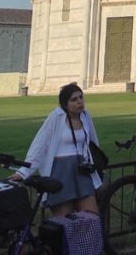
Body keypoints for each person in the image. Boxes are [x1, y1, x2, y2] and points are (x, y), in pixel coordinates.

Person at [12, 82, 102, 216]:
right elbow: (40, 145)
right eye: (74, 99)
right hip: (61, 171)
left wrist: (97, 163)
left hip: (82, 171)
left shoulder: (85, 116)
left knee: (91, 217)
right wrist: (24, 171)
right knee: (65, 221)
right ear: (65, 104)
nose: (79, 102)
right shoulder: (56, 117)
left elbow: (93, 143)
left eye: (81, 97)